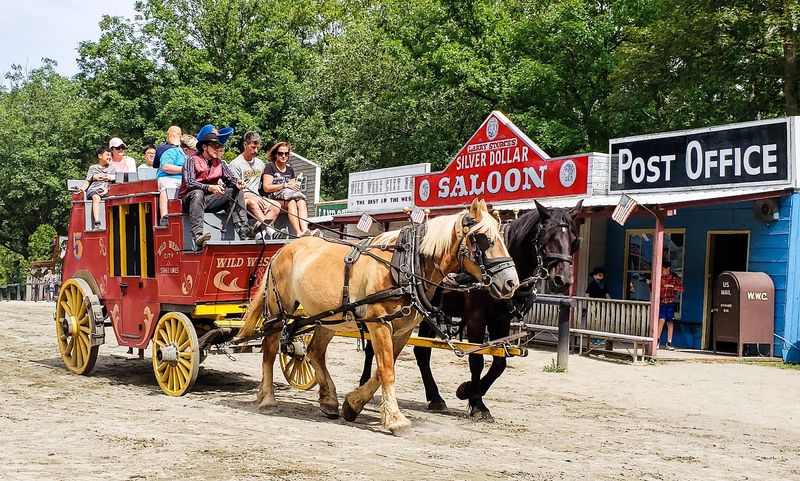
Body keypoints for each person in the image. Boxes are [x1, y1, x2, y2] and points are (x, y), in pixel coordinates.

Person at [180, 130, 250, 248]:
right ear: (204, 146)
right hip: (190, 201)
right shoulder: (191, 160)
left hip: (209, 200)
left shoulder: (220, 163)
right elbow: (190, 183)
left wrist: (238, 182)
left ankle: (243, 229)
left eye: (219, 147)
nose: (218, 149)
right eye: (214, 146)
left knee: (236, 190)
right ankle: (197, 236)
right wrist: (210, 187)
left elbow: (231, 178)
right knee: (198, 193)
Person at [229, 131, 280, 239]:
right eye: (253, 147)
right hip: (241, 200)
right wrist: (253, 197)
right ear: (245, 145)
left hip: (257, 197)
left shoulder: (260, 163)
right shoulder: (235, 164)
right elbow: (234, 190)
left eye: (257, 148)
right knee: (253, 202)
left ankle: (258, 232)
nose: (255, 151)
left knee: (276, 206)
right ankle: (271, 231)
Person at [263, 141, 310, 236]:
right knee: (292, 203)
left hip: (288, 196)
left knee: (301, 202)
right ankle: (298, 233)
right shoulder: (270, 167)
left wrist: (294, 186)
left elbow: (292, 186)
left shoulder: (290, 169)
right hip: (274, 199)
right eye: (280, 153)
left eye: (286, 153)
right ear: (276, 154)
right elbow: (266, 188)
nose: (283, 156)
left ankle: (305, 231)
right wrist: (284, 185)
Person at [156, 135, 192, 226]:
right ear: (186, 149)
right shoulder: (172, 152)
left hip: (184, 179)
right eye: (194, 149)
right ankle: (164, 216)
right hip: (167, 177)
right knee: (166, 186)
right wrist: (184, 169)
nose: (196, 151)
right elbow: (165, 167)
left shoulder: (193, 157)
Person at [78, 147, 116, 229]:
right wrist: (82, 189)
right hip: (94, 190)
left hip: (106, 190)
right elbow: (88, 181)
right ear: (100, 156)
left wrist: (107, 189)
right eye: (107, 155)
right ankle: (97, 222)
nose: (109, 157)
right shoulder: (93, 168)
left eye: (110, 155)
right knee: (96, 197)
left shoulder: (112, 168)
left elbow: (113, 182)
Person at [650, 263, 684, 351]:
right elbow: (652, 287)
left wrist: (671, 286)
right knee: (661, 320)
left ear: (668, 269)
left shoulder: (674, 278)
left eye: (663, 270)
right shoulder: (660, 278)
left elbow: (681, 289)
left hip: (670, 302)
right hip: (662, 301)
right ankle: (657, 340)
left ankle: (669, 342)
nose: (662, 271)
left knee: (670, 322)